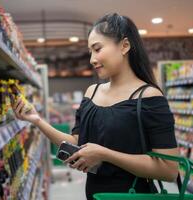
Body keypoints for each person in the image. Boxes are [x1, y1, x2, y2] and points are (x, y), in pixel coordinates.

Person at [13, 13, 179, 200]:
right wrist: (37, 120)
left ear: (124, 46)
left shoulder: (149, 97)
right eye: (91, 51)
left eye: (97, 49)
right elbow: (76, 143)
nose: (92, 59)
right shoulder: (91, 93)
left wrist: (105, 154)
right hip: (95, 195)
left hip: (133, 195)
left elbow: (169, 169)